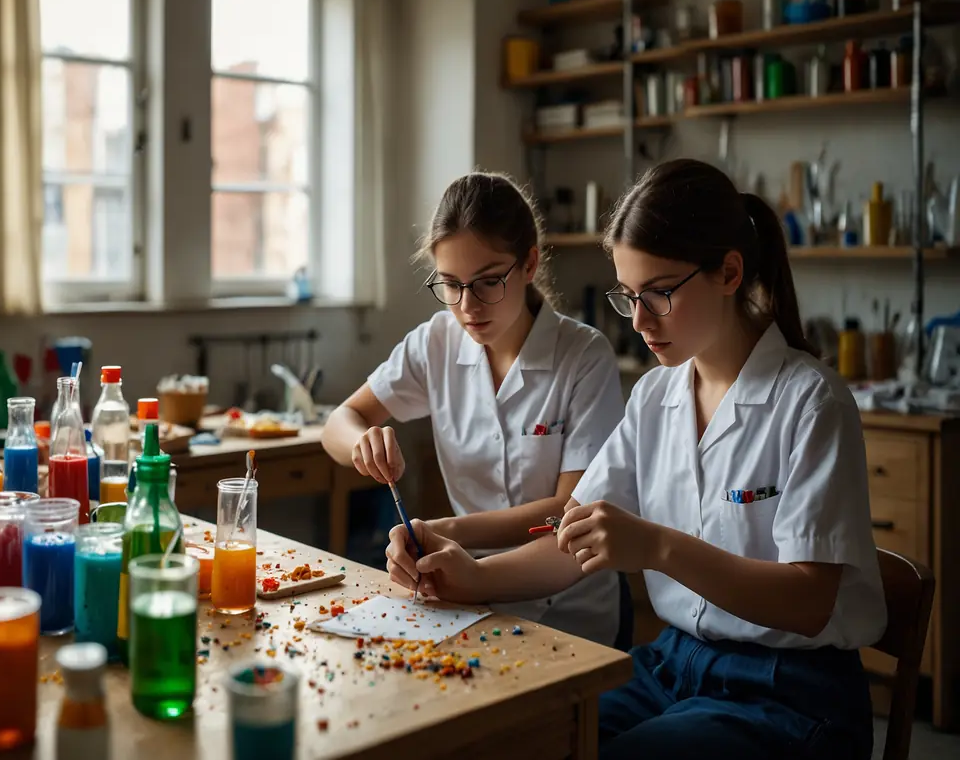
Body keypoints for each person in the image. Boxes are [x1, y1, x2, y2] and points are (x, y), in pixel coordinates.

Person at [385, 158, 886, 759]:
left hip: (788, 693)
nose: (641, 321)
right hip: (674, 666)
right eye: (628, 296)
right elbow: (572, 535)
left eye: (660, 294)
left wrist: (656, 546)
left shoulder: (811, 402)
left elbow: (808, 604)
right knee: (526, 735)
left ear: (729, 272)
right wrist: (473, 573)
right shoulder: (656, 396)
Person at [322, 171, 626, 646]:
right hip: (466, 595)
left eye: (487, 282)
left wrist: (444, 531)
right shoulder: (437, 343)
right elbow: (338, 422)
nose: (467, 306)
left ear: (529, 263)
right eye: (450, 284)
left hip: (568, 604)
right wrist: (363, 442)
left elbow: (567, 509)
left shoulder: (584, 356)